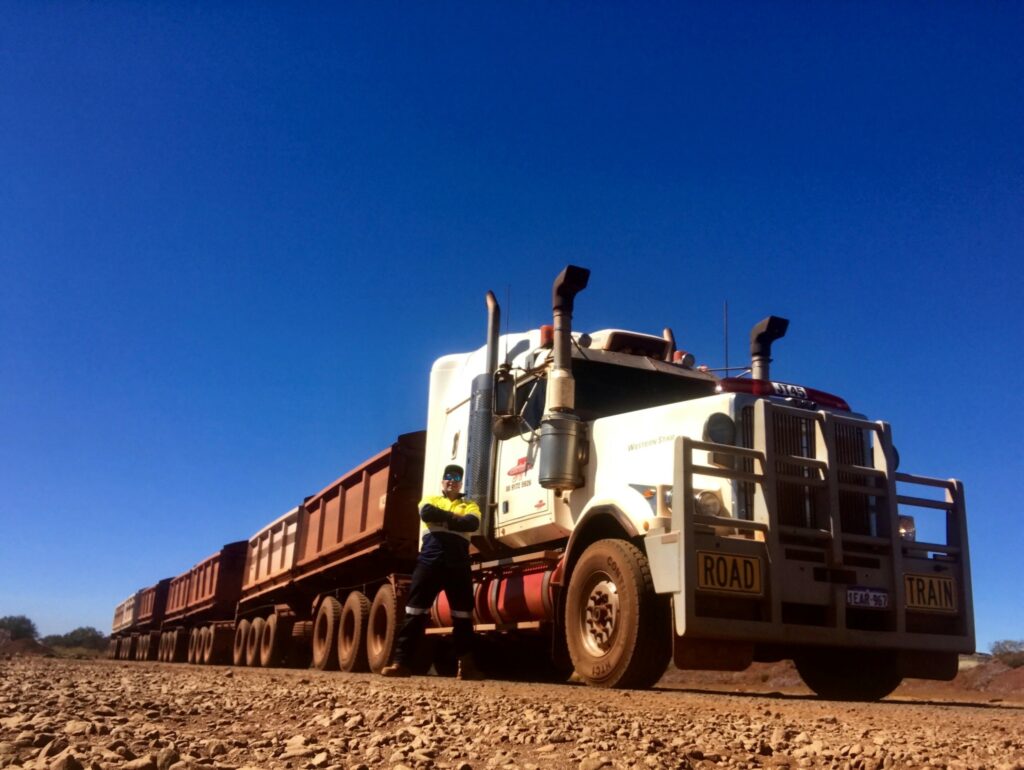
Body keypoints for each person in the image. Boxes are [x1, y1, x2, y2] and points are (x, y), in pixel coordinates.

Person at [381, 463, 484, 679]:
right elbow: (426, 513)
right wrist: (454, 519)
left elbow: (471, 524)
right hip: (430, 561)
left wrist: (444, 519)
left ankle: (466, 667)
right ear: (443, 481)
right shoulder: (430, 499)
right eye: (448, 476)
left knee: (463, 616)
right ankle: (401, 663)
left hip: (458, 564)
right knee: (414, 613)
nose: (452, 480)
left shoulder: (471, 504)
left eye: (456, 477)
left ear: (460, 482)